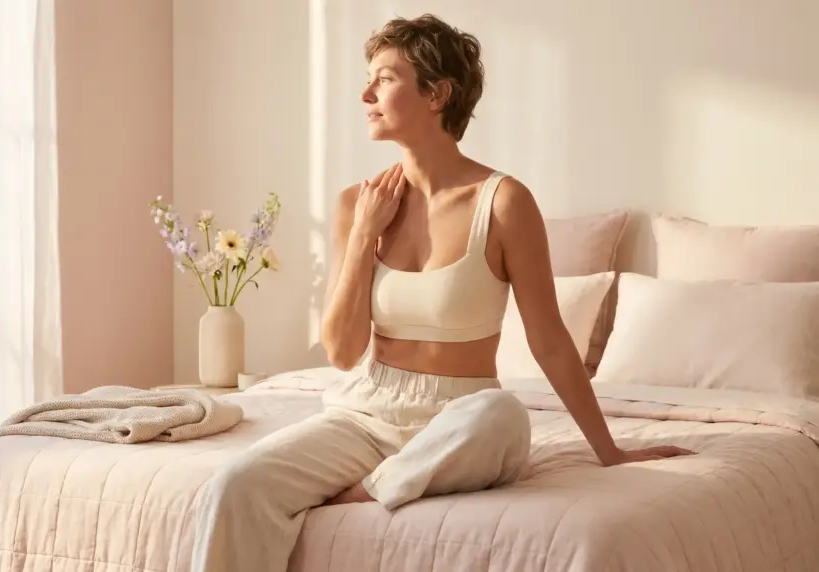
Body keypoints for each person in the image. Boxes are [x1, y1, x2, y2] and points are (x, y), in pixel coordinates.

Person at [190, 13, 694, 571]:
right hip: (365, 414)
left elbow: (550, 341)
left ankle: (372, 489)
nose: (365, 94)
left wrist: (609, 451)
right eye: (368, 79)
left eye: (384, 79)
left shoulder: (503, 203)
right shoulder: (358, 205)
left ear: (437, 94)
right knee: (236, 485)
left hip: (463, 420)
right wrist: (363, 235)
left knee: (503, 412)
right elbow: (341, 352)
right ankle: (391, 480)